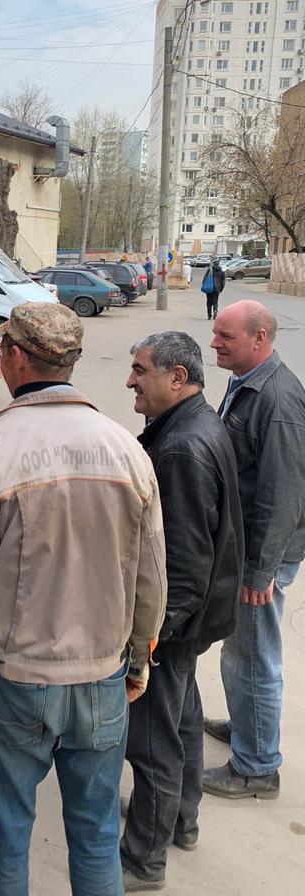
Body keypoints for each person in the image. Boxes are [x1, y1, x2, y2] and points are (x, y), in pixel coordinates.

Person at [0, 302, 167, 896]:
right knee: (96, 831)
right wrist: (138, 659)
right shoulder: (127, 451)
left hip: (17, 680)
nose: (0, 360)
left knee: (5, 829)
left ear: (18, 359)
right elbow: (152, 575)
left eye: (2, 351)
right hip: (102, 680)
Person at [121, 332, 243, 892]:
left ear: (177, 378)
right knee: (184, 719)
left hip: (172, 624)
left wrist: (149, 642)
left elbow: (185, 563)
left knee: (152, 741)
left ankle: (145, 858)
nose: (130, 381)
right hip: (195, 619)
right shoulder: (192, 425)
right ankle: (181, 821)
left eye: (140, 370)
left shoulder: (181, 449)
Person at [203, 300, 305, 799]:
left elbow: (283, 492)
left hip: (261, 558)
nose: (214, 343)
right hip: (245, 551)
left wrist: (259, 572)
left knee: (253, 657)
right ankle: (248, 730)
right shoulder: (245, 382)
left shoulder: (279, 400)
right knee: (239, 651)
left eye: (226, 336)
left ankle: (257, 766)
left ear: (260, 339)